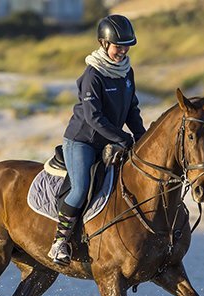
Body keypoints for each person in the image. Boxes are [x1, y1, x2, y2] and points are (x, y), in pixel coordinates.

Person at [48, 14, 146, 265]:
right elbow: (93, 118)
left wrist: (142, 137)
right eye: (118, 46)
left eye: (127, 46)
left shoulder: (126, 72)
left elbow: (132, 109)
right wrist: (122, 137)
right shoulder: (93, 75)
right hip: (83, 140)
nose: (122, 51)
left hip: (111, 140)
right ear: (104, 44)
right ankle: (59, 242)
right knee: (81, 188)